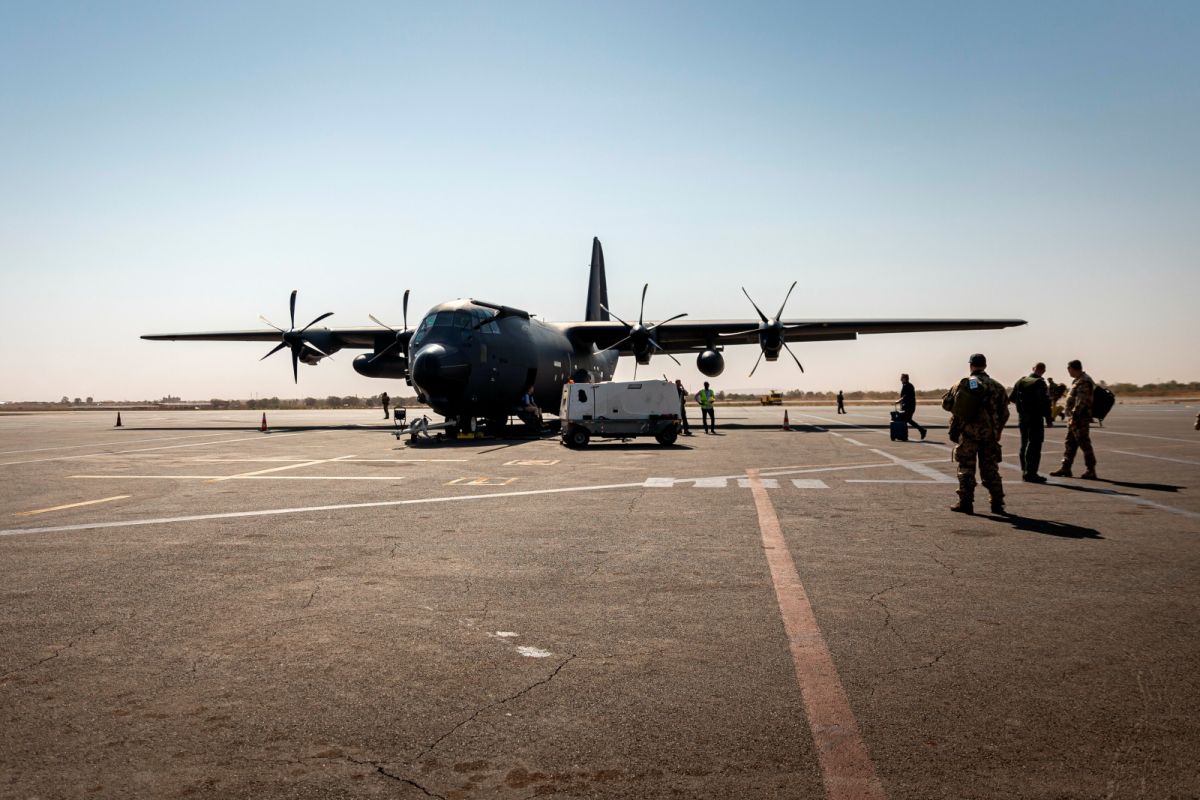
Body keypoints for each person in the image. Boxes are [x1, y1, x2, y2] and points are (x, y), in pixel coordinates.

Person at [946, 353, 1010, 515]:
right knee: (990, 469)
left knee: (966, 468)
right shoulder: (998, 387)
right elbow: (1005, 414)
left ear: (971, 366)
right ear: (985, 366)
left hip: (968, 435)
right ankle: (997, 504)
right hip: (989, 435)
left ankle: (966, 503)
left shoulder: (964, 384)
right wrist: (998, 431)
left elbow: (947, 404)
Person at [1051, 360, 1098, 479]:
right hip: (1075, 418)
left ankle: (1091, 470)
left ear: (1073, 368)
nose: (1068, 372)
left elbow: (1081, 401)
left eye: (1069, 369)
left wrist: (1075, 416)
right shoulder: (1078, 380)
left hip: (1080, 418)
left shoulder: (1084, 381)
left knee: (1084, 443)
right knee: (1070, 443)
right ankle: (1066, 468)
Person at [1010, 362, 1054, 483]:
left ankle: (1025, 471)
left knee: (1024, 443)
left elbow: (1012, 398)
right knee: (1034, 444)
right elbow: (1045, 403)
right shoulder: (1040, 383)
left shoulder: (1021, 381)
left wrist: (1023, 408)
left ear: (1033, 369)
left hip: (1022, 418)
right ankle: (1031, 473)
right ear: (1043, 371)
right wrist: (1049, 419)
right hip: (1035, 418)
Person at [896, 374, 927, 439]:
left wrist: (899, 401)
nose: (900, 379)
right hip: (907, 406)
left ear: (905, 378)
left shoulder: (908, 386)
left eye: (902, 378)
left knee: (907, 419)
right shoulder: (906, 385)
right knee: (906, 420)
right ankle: (905, 435)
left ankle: (921, 430)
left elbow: (906, 396)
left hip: (909, 407)